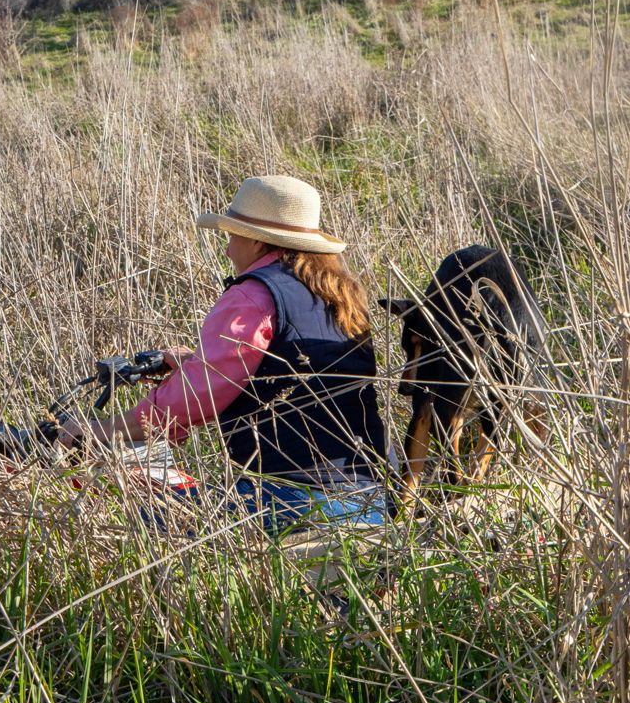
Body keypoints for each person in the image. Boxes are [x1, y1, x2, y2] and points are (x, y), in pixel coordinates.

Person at [54, 174, 391, 531]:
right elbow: (289, 373)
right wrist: (192, 363)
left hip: (290, 501)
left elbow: (190, 400)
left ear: (258, 242)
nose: (228, 249)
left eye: (232, 236)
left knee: (144, 519)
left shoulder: (252, 296)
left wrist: (99, 430)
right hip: (367, 501)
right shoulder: (340, 297)